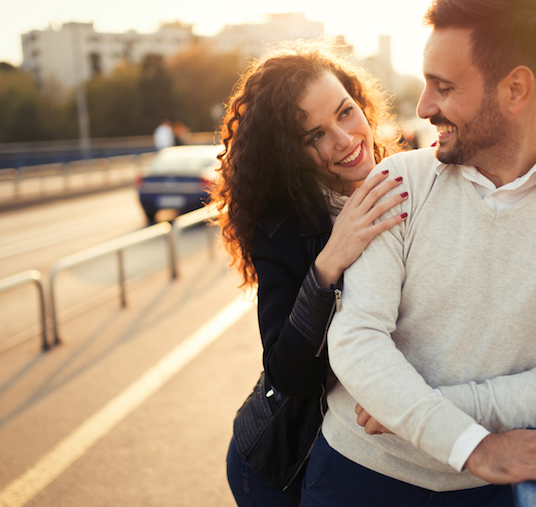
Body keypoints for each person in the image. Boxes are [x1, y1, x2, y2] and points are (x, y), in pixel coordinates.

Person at [300, 0, 536, 505]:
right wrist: (472, 445)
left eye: (443, 87)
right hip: (357, 472)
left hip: (482, 491)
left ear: (515, 90)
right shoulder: (398, 181)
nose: (422, 107)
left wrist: (427, 410)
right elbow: (356, 339)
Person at [210, 41, 406, 507]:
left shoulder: (408, 182)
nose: (343, 139)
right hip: (278, 464)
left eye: (345, 112)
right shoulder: (282, 228)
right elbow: (286, 374)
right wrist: (327, 264)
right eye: (313, 136)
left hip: (369, 458)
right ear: (289, 154)